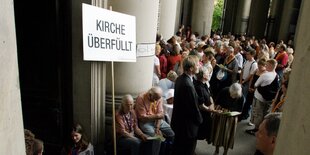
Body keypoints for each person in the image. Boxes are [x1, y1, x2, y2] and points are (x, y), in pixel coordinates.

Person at [171, 55, 202, 155]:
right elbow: (192, 107)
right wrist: (200, 120)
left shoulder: (181, 78)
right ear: (191, 68)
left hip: (180, 123)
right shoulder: (187, 84)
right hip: (187, 126)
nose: (199, 66)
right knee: (186, 150)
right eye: (197, 65)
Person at [246, 59, 279, 135]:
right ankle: (262, 129)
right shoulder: (276, 75)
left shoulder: (265, 75)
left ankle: (256, 129)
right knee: (264, 113)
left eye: (267, 64)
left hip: (259, 97)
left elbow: (256, 84)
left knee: (257, 113)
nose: (266, 66)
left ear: (271, 65)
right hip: (269, 98)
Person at [211, 83, 245, 155]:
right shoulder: (224, 91)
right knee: (218, 133)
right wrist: (217, 110)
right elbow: (216, 102)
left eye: (235, 96)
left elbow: (240, 110)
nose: (233, 97)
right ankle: (216, 150)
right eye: (232, 95)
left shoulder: (241, 97)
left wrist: (235, 114)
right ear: (230, 90)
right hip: (221, 113)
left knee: (228, 136)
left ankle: (225, 152)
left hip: (232, 117)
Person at [194, 67, 217, 144]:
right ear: (203, 75)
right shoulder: (198, 87)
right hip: (201, 115)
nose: (209, 74)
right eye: (207, 73)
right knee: (196, 134)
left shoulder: (205, 84)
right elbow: (201, 105)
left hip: (207, 113)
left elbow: (210, 95)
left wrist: (212, 105)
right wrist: (212, 110)